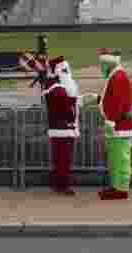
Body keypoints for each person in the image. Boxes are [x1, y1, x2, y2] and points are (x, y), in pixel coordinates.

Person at [97, 48, 132, 200]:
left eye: (102, 63)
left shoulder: (118, 77)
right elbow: (114, 100)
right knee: (115, 158)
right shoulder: (116, 76)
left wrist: (112, 120)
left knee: (120, 158)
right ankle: (117, 186)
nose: (100, 67)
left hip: (118, 126)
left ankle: (120, 189)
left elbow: (118, 103)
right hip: (117, 124)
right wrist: (98, 99)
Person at [42, 55, 81, 195]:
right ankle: (62, 184)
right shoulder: (54, 85)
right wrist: (75, 100)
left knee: (63, 158)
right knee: (62, 158)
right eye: (64, 70)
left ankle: (61, 182)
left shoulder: (57, 84)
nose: (66, 72)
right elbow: (62, 103)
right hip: (60, 126)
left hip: (65, 127)